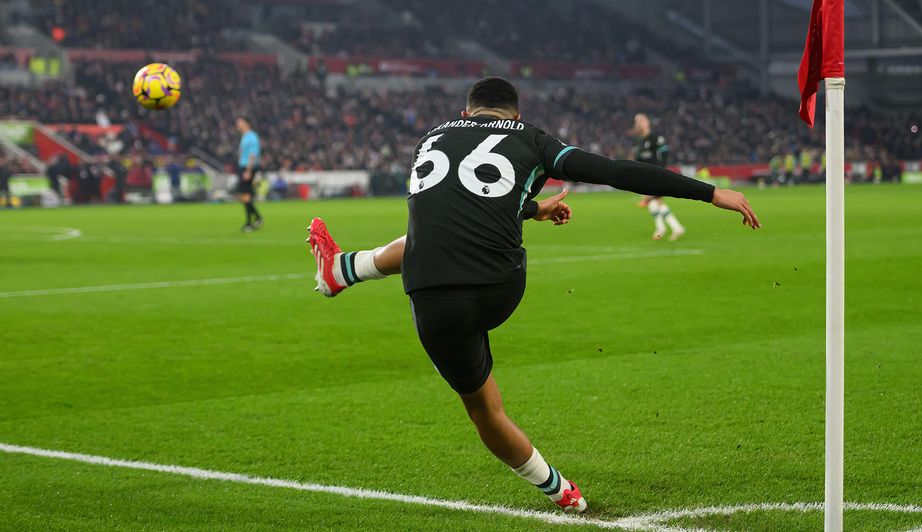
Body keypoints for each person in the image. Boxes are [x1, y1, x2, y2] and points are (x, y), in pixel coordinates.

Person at [307, 77, 760, 512]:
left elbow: (463, 199)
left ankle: (561, 491)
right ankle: (341, 271)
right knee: (448, 242)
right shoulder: (531, 138)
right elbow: (616, 172)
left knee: (485, 409)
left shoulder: (431, 138)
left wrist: (530, 208)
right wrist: (709, 192)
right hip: (499, 286)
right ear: (517, 114)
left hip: (431, 298)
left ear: (464, 112)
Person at [631, 113, 686, 241]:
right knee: (653, 202)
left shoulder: (655, 138)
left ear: (647, 122)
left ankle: (670, 228)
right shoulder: (639, 141)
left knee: (653, 200)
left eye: (641, 120)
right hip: (644, 176)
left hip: (654, 174)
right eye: (637, 121)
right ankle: (666, 228)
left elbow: (664, 154)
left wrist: (660, 171)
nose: (639, 123)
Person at [236, 116, 263, 232]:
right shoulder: (245, 136)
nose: (237, 124)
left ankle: (249, 223)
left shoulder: (252, 136)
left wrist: (248, 170)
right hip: (243, 167)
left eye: (239, 122)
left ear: (247, 123)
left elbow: (253, 154)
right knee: (242, 195)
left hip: (248, 168)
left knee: (245, 195)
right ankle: (257, 217)